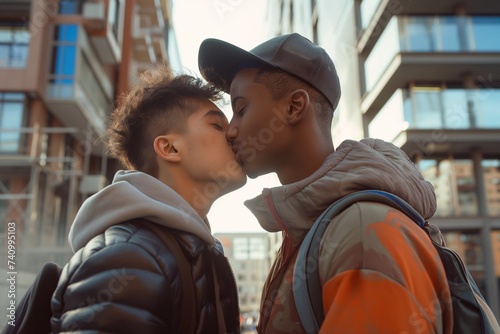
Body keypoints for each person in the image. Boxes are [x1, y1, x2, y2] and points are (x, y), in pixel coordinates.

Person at [198, 33, 453, 333]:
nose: (231, 131)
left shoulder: (361, 230)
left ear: (293, 108)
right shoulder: (314, 228)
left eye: (241, 109)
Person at [50, 64, 246, 333]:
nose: (234, 133)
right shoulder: (128, 259)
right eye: (216, 124)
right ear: (169, 147)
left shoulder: (183, 250)